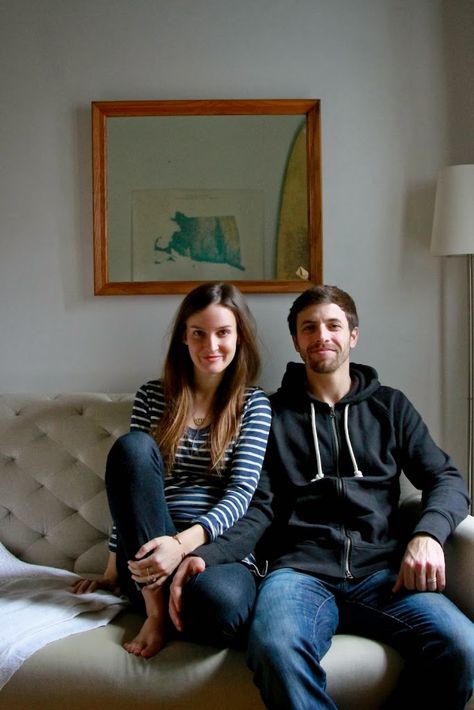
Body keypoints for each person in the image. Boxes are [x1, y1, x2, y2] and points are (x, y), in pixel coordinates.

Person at [245, 284, 474, 710]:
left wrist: (427, 535)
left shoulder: (390, 407)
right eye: (308, 328)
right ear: (296, 341)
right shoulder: (270, 414)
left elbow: (446, 477)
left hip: (383, 573)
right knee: (275, 647)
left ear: (353, 335)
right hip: (299, 572)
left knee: (464, 646)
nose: (321, 336)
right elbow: (256, 502)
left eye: (333, 325)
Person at [73, 282, 272, 659]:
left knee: (223, 609)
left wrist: (180, 546)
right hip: (149, 548)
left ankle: (173, 603)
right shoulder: (153, 396)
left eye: (223, 333)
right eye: (199, 333)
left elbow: (242, 493)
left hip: (211, 551)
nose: (211, 346)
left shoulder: (254, 404)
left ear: (239, 337)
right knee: (132, 448)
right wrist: (113, 571)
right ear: (184, 336)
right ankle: (155, 612)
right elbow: (132, 486)